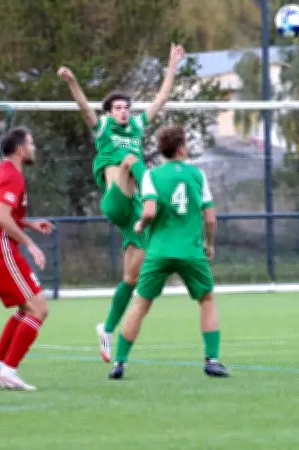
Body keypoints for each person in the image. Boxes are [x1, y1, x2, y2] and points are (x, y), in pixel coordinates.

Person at [58, 43, 186, 363]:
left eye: (126, 107)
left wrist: (172, 63)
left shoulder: (137, 126)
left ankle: (106, 329)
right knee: (130, 160)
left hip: (134, 212)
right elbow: (84, 108)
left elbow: (161, 98)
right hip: (116, 200)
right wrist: (72, 82)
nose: (123, 111)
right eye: (117, 108)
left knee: (131, 278)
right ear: (109, 112)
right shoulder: (103, 128)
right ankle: (153, 195)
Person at [107, 125, 228, 379]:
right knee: (206, 300)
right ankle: (212, 360)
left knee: (140, 304)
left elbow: (149, 211)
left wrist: (140, 224)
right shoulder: (197, 175)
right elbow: (210, 218)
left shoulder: (151, 175)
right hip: (191, 252)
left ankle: (119, 363)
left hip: (159, 252)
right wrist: (210, 244)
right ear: (181, 148)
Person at [0, 127, 55, 391]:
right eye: (31, 143)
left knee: (26, 309)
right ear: (20, 149)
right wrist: (31, 244)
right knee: (39, 309)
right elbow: (0, 216)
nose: (33, 148)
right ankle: (8, 372)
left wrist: (28, 224)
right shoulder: (12, 176)